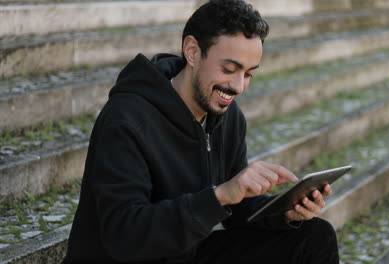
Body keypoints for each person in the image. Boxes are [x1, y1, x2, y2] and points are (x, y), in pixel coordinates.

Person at [64, 0, 339, 263]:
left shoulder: (228, 118)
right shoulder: (127, 119)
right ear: (192, 51)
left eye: (249, 74)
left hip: (184, 255)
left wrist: (284, 211)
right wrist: (219, 195)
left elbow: (237, 211)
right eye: (229, 69)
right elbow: (124, 235)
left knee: (314, 237)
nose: (238, 86)